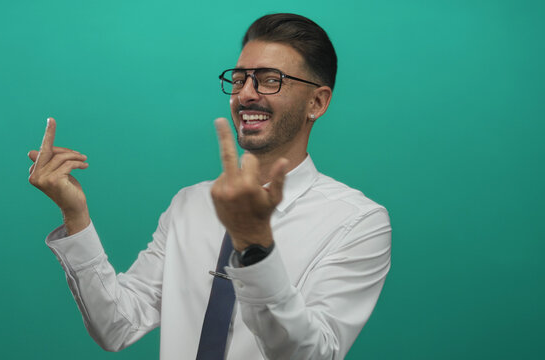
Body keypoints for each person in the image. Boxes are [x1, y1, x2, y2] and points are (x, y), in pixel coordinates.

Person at [28, 13, 391, 360]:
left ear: (317, 101)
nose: (246, 94)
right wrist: (75, 215)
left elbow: (310, 355)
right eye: (239, 78)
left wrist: (255, 247)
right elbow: (117, 325)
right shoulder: (190, 203)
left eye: (269, 79)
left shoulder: (358, 222)